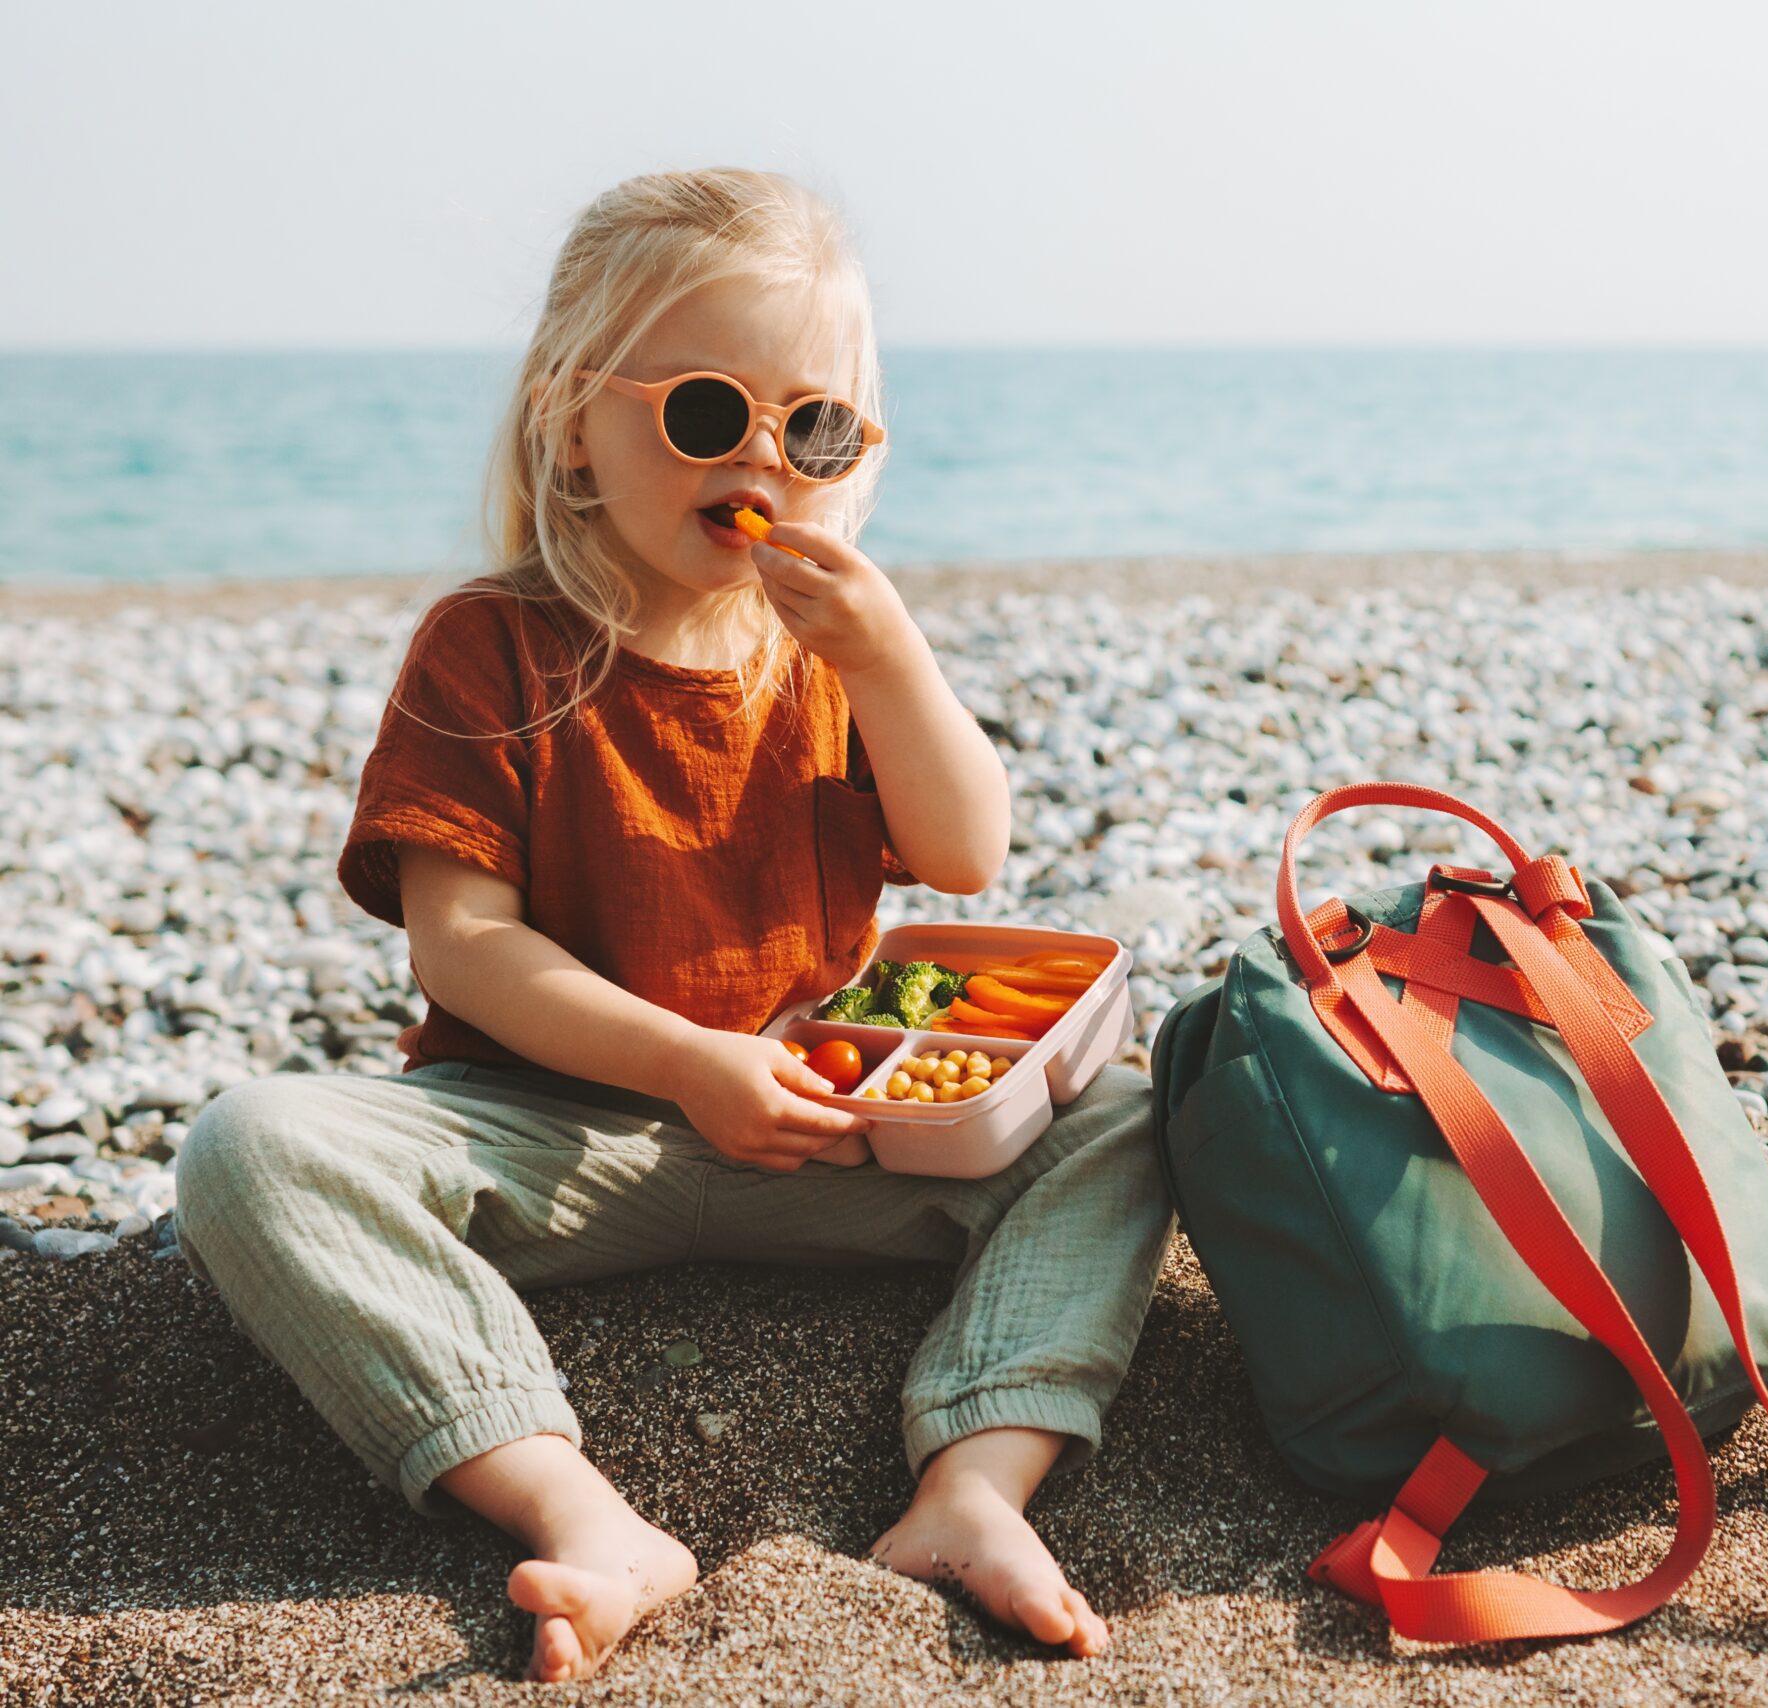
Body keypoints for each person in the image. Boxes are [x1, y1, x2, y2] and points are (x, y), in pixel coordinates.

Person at [171, 168, 1173, 1683]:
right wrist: (688, 1060)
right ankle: (576, 1511)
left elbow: (970, 852)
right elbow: (466, 947)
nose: (764, 457)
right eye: (709, 415)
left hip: (824, 1132)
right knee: (254, 1144)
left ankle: (976, 1481)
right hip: (541, 1139)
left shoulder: (831, 653)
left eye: (814, 426)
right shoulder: (493, 644)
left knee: (1126, 1112)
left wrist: (895, 660)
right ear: (578, 420)